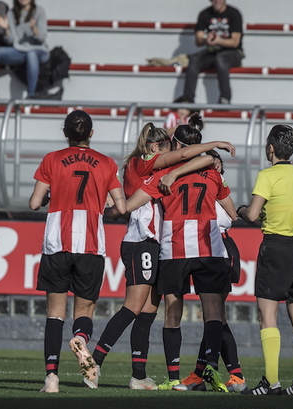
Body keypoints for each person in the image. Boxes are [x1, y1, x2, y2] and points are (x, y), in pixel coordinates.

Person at [96, 121, 235, 390]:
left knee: (149, 311)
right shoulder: (146, 164)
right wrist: (214, 151)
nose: (167, 153)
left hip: (164, 245)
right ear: (155, 147)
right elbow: (186, 157)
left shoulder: (162, 169)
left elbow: (189, 159)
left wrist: (209, 160)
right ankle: (95, 360)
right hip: (144, 241)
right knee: (135, 307)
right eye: (164, 147)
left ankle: (139, 375)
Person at [29, 110, 126, 392]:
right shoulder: (107, 164)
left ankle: (51, 378)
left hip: (56, 242)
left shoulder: (52, 159)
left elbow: (35, 203)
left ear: (65, 133)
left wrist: (48, 195)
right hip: (91, 245)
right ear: (91, 134)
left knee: (54, 313)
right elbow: (121, 207)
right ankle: (81, 338)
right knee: (84, 309)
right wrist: (100, 207)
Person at [237, 125, 293, 396]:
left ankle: (271, 383)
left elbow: (251, 215)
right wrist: (290, 217)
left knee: (267, 316)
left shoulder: (267, 176)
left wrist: (243, 210)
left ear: (270, 148)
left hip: (275, 248)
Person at [161, 152, 247, 393]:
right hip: (215, 250)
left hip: (216, 249)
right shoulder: (211, 185)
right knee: (215, 317)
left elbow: (230, 217)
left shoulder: (210, 187)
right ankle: (206, 373)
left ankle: (232, 374)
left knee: (216, 316)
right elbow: (233, 216)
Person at [181, 0, 243, 105]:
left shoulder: (234, 13)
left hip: (233, 53)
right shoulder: (204, 14)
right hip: (212, 52)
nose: (216, 0)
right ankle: (188, 99)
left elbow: (235, 42)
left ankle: (225, 98)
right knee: (194, 59)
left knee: (221, 59)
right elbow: (198, 40)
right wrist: (206, 39)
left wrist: (219, 40)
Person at [0, 0, 49, 99]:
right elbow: (10, 41)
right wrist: (5, 29)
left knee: (31, 54)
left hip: (38, 50)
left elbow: (42, 39)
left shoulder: (39, 11)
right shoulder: (11, 13)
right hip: (19, 50)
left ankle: (31, 95)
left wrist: (35, 31)